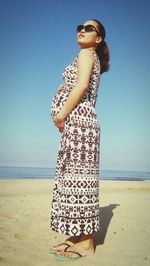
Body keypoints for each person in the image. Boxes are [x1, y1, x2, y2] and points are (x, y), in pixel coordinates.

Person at [50, 19, 110, 261]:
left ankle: (86, 244)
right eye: (80, 27)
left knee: (78, 182)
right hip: (83, 124)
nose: (82, 31)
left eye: (89, 28)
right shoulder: (90, 58)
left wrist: (61, 114)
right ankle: (77, 237)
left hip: (79, 123)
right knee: (77, 181)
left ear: (98, 39)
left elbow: (82, 85)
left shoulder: (87, 54)